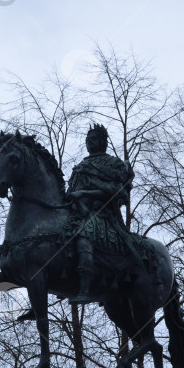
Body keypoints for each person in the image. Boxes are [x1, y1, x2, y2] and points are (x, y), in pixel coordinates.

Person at [66, 123, 134, 304]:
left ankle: (84, 289)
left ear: (103, 142)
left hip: (102, 215)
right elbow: (70, 192)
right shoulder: (80, 167)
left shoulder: (114, 164)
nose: (89, 142)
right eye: (87, 139)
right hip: (76, 212)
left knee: (84, 234)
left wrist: (85, 194)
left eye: (93, 138)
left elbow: (119, 193)